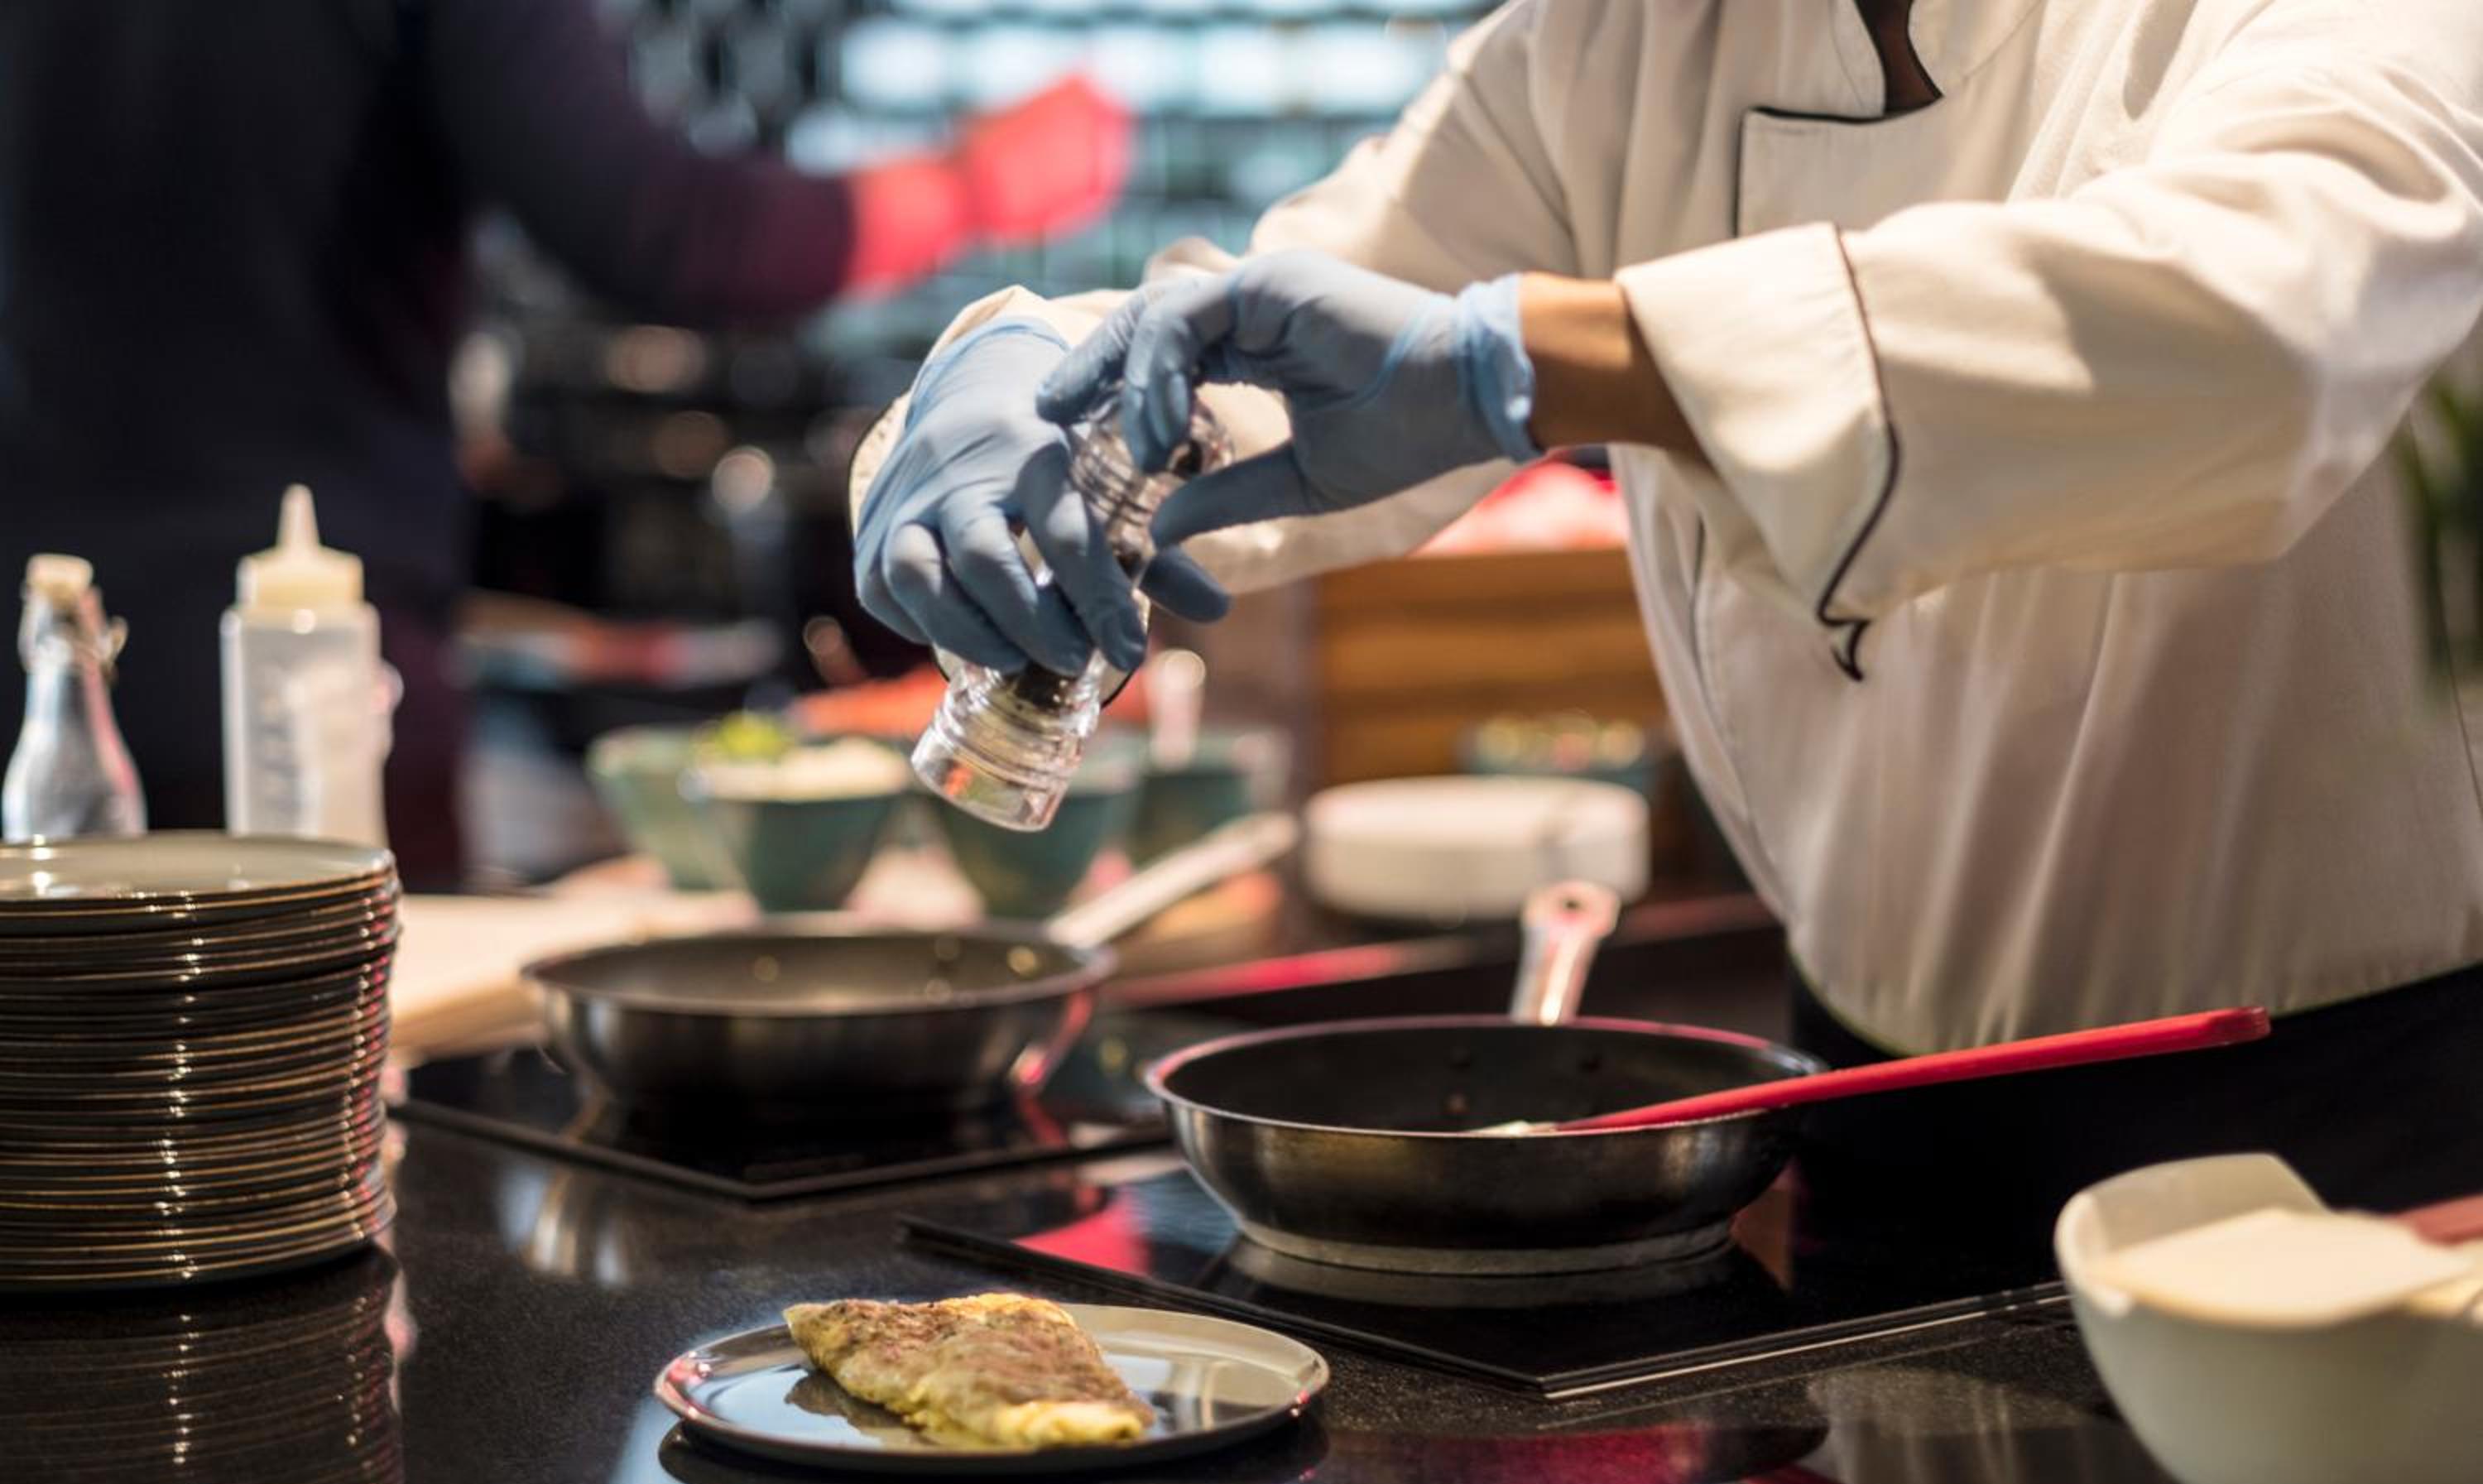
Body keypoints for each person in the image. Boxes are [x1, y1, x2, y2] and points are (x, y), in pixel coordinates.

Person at [852, 0, 2483, 1232]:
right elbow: (1298, 335)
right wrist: (1024, 390)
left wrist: (1544, 359)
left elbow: (2255, 328)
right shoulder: (1616, 40)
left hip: (2338, 1148)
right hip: (1855, 1117)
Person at [0, 0, 1128, 886]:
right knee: (331, 1095)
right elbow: (669, 232)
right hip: (307, 700)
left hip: (42, 662)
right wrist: (982, 181)